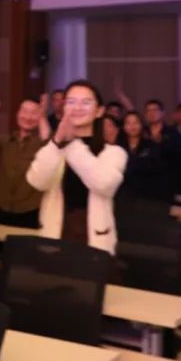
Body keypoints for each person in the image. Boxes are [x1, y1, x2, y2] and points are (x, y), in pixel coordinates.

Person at [24, 80, 126, 252]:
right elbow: (37, 181)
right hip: (55, 236)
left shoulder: (113, 152)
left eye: (86, 102)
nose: (77, 108)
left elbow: (104, 184)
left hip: (94, 241)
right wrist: (57, 142)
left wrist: (71, 143)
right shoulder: (54, 147)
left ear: (99, 111)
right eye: (71, 102)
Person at [0, 91, 52, 228]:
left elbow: (51, 147)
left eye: (34, 113)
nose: (28, 117)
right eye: (24, 111)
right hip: (1, 208)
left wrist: (42, 117)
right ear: (18, 114)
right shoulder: (4, 141)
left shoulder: (41, 145)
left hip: (30, 211)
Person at [114, 111, 168, 204]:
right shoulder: (118, 147)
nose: (132, 126)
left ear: (141, 125)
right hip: (123, 194)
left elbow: (156, 167)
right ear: (123, 126)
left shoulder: (151, 145)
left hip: (147, 194)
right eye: (128, 123)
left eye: (136, 122)